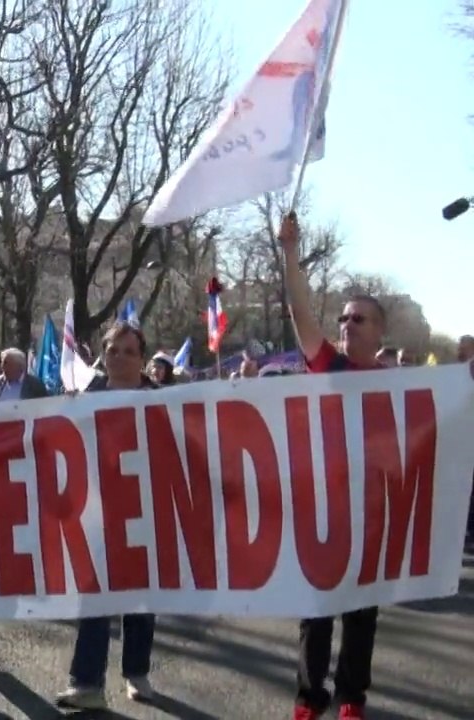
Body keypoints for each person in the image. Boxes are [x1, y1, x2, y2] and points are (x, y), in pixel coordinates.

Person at [282, 212, 384, 720]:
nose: (345, 325)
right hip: (323, 507)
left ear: (379, 333)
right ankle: (309, 696)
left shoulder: (400, 385)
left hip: (370, 513)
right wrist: (290, 256)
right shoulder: (330, 367)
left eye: (357, 319)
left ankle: (350, 698)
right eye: (342, 318)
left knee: (362, 611)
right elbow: (303, 317)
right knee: (316, 609)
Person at [55, 322, 159, 710]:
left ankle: (136, 671)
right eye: (113, 350)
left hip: (144, 510)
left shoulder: (161, 400)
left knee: (142, 597)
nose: (120, 358)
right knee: (93, 597)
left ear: (142, 359)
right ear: (103, 353)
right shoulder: (85, 396)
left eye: (129, 352)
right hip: (96, 512)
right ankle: (87, 683)